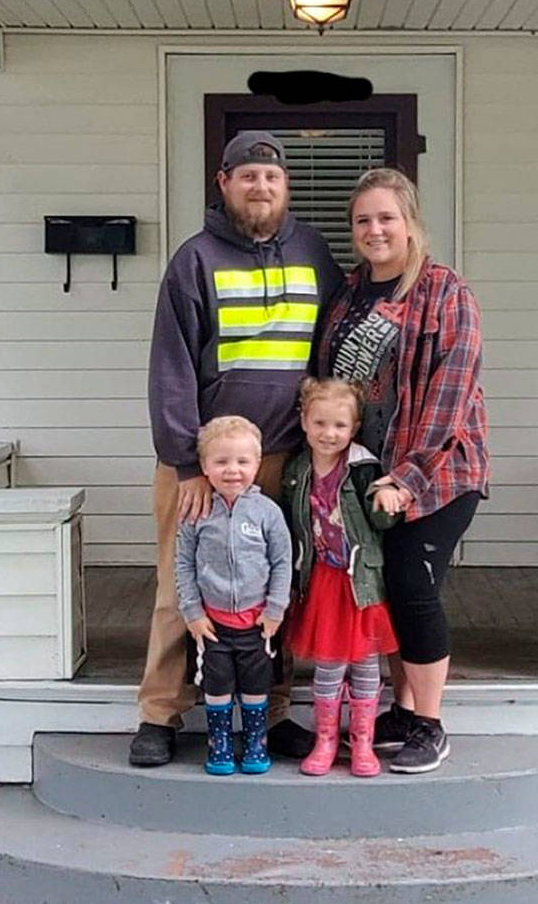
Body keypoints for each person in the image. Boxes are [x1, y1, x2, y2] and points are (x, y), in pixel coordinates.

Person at [131, 131, 341, 767]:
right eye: (248, 176)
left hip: (283, 459)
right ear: (223, 184)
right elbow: (170, 366)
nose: (261, 187)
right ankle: (160, 715)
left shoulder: (314, 253)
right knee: (180, 585)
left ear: (286, 187)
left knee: (274, 585)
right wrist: (188, 461)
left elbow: (330, 351)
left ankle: (268, 713)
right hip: (203, 463)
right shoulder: (194, 260)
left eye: (272, 178)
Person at [315, 168, 489, 775]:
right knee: (382, 586)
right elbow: (330, 389)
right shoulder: (346, 297)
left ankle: (430, 723)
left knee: (414, 587)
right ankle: (402, 709)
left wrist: (407, 478)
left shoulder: (446, 293)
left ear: (411, 224)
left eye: (387, 217)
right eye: (363, 220)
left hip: (440, 472)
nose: (374, 229)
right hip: (369, 474)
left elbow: (451, 396)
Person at [282, 378, 401, 778]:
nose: (328, 434)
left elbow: (381, 521)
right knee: (328, 665)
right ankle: (326, 739)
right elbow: (291, 521)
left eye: (339, 426)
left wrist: (389, 498)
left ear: (354, 428)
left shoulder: (363, 469)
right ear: (303, 421)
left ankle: (363, 741)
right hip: (321, 581)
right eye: (320, 423)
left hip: (359, 584)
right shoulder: (297, 469)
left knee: (366, 664)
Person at [176, 416, 292, 775]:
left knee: (257, 686)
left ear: (257, 465)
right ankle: (220, 744)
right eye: (221, 462)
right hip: (213, 626)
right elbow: (183, 565)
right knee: (217, 684)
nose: (232, 471)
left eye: (243, 462)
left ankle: (256, 742)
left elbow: (282, 561)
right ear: (205, 467)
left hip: (257, 624)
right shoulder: (197, 513)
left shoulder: (267, 512)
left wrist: (275, 609)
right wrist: (192, 612)